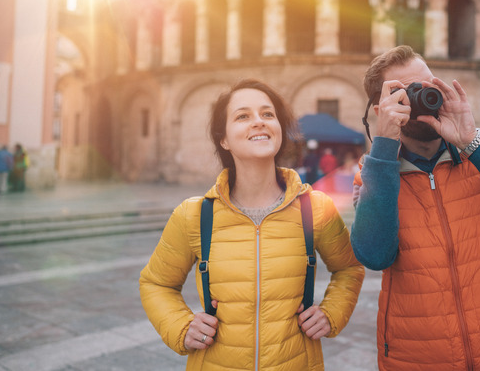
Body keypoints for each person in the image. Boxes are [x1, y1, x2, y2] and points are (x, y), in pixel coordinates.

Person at [350, 46, 480, 370]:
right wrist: (383, 149)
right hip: (420, 360)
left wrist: (473, 142)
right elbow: (375, 255)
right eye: (406, 92)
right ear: (382, 109)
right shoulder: (373, 175)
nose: (422, 95)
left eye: (427, 85)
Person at [139, 79, 364, 371]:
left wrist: (332, 313)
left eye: (268, 114)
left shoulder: (315, 207)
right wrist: (181, 326)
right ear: (224, 139)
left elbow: (349, 268)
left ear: (280, 130)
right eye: (243, 116)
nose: (259, 122)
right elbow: (156, 283)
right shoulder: (193, 214)